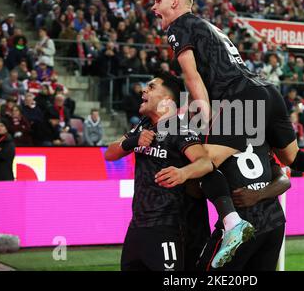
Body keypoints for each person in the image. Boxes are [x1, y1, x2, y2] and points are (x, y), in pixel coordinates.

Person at [152, 0, 304, 228]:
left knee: (205, 161)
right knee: (292, 157)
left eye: (158, 1)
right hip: (267, 92)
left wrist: (205, 118)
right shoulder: (211, 28)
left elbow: (192, 75)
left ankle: (232, 226)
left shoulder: (179, 25)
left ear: (175, 3)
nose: (154, 7)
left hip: (241, 98)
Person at [104, 75, 253, 270]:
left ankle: (232, 222)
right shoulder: (143, 125)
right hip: (136, 228)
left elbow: (205, 162)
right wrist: (133, 141)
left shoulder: (180, 129)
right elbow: (109, 154)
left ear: (167, 101)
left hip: (167, 227)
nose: (143, 90)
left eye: (151, 87)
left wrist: (183, 173)